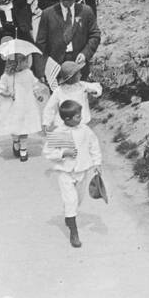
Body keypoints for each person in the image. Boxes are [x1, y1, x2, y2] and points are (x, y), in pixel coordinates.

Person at [42, 100, 104, 249]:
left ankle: (70, 218)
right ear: (67, 119)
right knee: (70, 200)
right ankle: (74, 232)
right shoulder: (59, 132)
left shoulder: (85, 130)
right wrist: (63, 152)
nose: (81, 118)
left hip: (82, 170)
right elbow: (48, 152)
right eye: (77, 116)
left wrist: (97, 163)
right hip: (65, 172)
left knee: (78, 200)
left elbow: (93, 145)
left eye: (80, 115)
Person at [35, 0, 100, 82]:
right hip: (56, 66)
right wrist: (41, 72)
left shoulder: (86, 11)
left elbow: (95, 35)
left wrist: (85, 53)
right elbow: (41, 44)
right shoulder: (48, 14)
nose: (68, 1)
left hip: (79, 65)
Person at [0, 42, 44, 161]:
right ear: (18, 63)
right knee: (15, 128)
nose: (27, 63)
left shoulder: (28, 73)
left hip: (26, 105)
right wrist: (8, 93)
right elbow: (0, 89)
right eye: (25, 61)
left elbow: (34, 85)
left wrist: (38, 94)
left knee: (24, 128)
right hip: (13, 106)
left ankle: (23, 149)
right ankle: (16, 142)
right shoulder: (7, 76)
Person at [42, 60, 104, 129]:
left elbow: (97, 87)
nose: (81, 74)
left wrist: (94, 91)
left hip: (81, 120)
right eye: (78, 73)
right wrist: (46, 122)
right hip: (65, 122)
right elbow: (50, 107)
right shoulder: (59, 91)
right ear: (71, 78)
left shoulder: (82, 85)